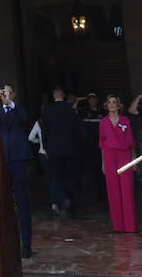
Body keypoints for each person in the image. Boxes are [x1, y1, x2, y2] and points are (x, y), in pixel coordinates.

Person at [0, 84, 34, 257]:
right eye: (3, 92)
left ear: (13, 94)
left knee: (22, 201)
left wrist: (11, 104)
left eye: (7, 92)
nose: (4, 95)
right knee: (0, 201)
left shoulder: (18, 110)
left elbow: (24, 120)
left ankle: (26, 244)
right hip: (1, 159)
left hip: (18, 159)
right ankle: (3, 243)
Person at [40, 86, 81, 217]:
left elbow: (44, 131)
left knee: (57, 178)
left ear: (54, 96)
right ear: (63, 96)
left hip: (54, 149)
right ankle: (71, 204)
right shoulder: (71, 110)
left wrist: (46, 147)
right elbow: (78, 130)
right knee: (70, 177)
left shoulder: (48, 111)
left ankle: (61, 200)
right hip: (70, 149)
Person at [98, 94, 136, 233]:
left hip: (124, 155)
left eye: (115, 102)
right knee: (113, 190)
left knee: (127, 189)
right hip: (109, 156)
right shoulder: (103, 122)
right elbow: (101, 144)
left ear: (119, 105)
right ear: (106, 106)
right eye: (110, 102)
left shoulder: (125, 120)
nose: (112, 105)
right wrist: (103, 163)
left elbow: (131, 142)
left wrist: (134, 159)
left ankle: (130, 226)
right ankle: (118, 226)